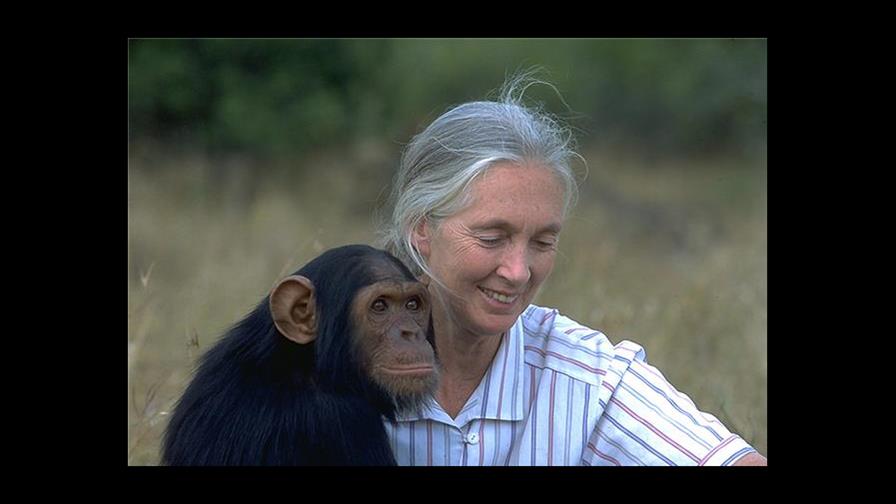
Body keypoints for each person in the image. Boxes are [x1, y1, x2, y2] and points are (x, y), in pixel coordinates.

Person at [376, 74, 767, 466]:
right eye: (492, 238)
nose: (518, 272)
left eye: (543, 242)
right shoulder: (347, 364)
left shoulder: (586, 377)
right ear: (421, 228)